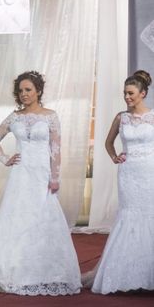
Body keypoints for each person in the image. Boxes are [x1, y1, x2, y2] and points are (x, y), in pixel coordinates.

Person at [0, 71, 81, 296]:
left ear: (38, 90)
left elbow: (56, 149)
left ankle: (46, 272)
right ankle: (14, 270)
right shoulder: (14, 117)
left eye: (28, 89)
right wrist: (5, 158)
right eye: (20, 90)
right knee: (18, 219)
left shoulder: (50, 116)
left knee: (43, 219)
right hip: (20, 174)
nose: (24, 94)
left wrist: (55, 177)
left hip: (41, 174)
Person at [90, 70, 154, 294]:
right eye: (125, 93)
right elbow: (108, 143)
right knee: (129, 215)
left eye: (131, 93)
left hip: (150, 172)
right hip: (128, 174)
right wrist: (114, 157)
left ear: (142, 93)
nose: (127, 97)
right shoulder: (121, 117)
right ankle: (124, 275)